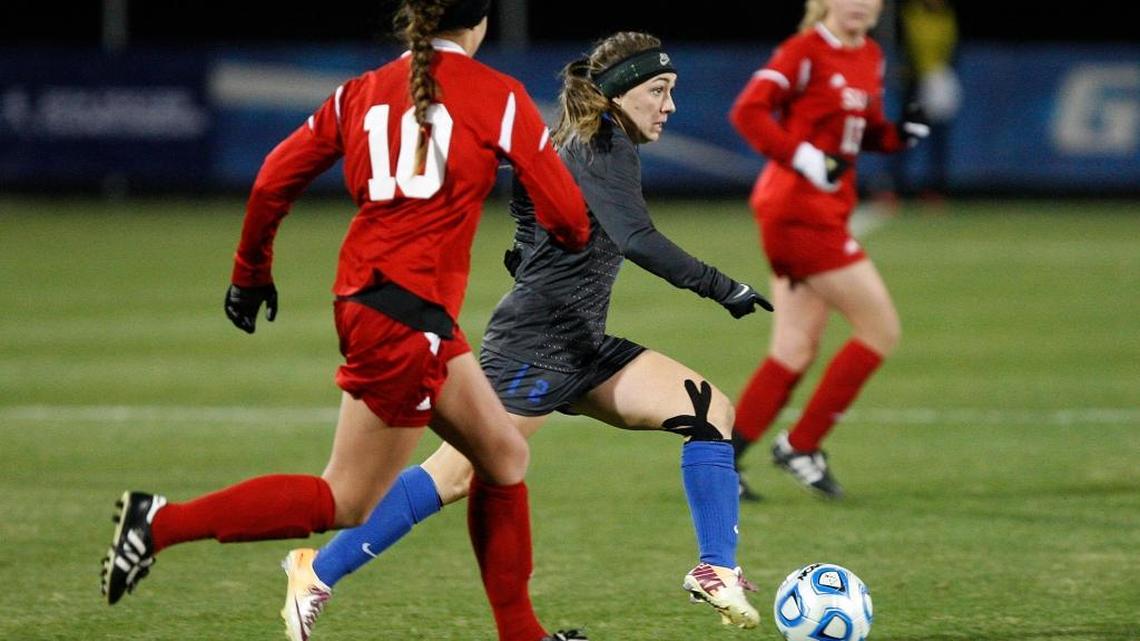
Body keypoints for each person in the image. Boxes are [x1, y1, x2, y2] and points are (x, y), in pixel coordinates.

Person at [99, 3, 592, 641]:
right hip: (407, 320)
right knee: (347, 498)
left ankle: (521, 633)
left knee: (501, 455)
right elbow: (571, 221)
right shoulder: (499, 97)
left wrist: (250, 271)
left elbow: (274, 177)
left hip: (376, 300)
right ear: (481, 23)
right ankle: (157, 524)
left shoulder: (360, 92)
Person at [278, 31, 773, 638]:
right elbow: (636, 238)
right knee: (456, 474)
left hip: (583, 343)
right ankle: (315, 571)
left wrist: (527, 248)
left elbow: (526, 197)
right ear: (621, 94)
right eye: (659, 91)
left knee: (707, 410)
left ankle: (716, 569)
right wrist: (724, 287)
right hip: (533, 344)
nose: (669, 105)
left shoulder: (582, 140)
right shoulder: (603, 144)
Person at [727, 0, 929, 500]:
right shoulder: (803, 51)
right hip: (797, 212)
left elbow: (857, 135)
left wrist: (896, 135)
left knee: (793, 348)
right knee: (880, 329)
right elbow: (747, 111)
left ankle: (721, 461)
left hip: (824, 209)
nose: (860, 3)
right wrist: (804, 157)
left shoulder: (871, 55)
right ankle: (800, 445)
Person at [898, 0, 960, 197]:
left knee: (939, 139)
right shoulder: (911, 13)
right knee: (908, 135)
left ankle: (935, 188)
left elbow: (951, 51)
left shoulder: (946, 17)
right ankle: (894, 186)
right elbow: (905, 46)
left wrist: (941, 77)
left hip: (938, 85)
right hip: (915, 85)